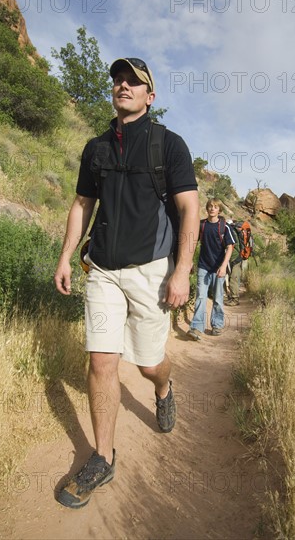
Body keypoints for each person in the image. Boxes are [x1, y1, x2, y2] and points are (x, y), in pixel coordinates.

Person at [54, 57, 200, 509]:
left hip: (151, 271)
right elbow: (82, 204)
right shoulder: (96, 148)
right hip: (102, 269)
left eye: (134, 82)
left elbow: (189, 209)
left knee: (148, 363)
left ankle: (162, 388)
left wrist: (181, 270)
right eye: (118, 80)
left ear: (149, 97)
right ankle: (103, 456)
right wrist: (64, 257)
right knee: (101, 362)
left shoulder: (168, 145)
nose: (124, 86)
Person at [187, 198, 235, 340]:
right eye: (210, 206)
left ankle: (217, 325)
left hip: (218, 268)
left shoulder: (224, 227)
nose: (212, 209)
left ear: (219, 210)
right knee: (201, 296)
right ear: (207, 209)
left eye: (215, 207)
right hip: (204, 266)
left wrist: (224, 266)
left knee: (218, 298)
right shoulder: (201, 225)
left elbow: (230, 247)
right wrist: (189, 261)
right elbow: (194, 243)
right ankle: (196, 327)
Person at [225, 220, 254, 306]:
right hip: (238, 256)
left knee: (234, 278)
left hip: (235, 257)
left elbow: (232, 245)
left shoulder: (231, 231)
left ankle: (234, 299)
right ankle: (232, 296)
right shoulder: (235, 231)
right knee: (233, 277)